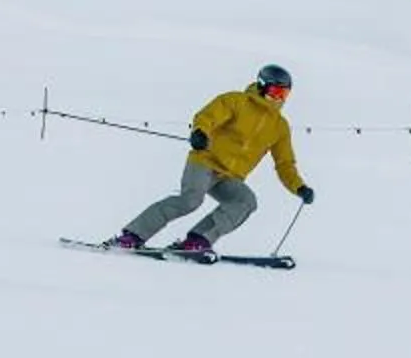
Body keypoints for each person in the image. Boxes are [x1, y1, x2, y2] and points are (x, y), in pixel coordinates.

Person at [109, 63, 314, 255]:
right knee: (190, 200)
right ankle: (132, 235)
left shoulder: (279, 126)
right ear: (262, 86)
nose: (279, 98)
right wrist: (200, 132)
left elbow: (285, 163)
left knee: (245, 201)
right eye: (275, 92)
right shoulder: (236, 101)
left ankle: (197, 241)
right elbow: (208, 116)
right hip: (204, 161)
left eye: (284, 93)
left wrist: (299, 187)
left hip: (230, 176)